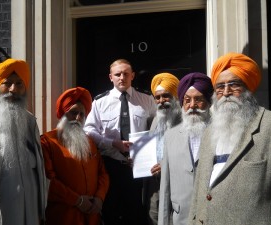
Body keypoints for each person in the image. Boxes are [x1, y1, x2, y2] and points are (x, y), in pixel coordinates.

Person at [189, 52, 271, 225]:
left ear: (248, 88)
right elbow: (199, 189)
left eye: (234, 85)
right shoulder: (210, 132)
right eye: (220, 87)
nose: (226, 92)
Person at [84, 59, 156, 225]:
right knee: (111, 214)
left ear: (133, 75)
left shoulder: (146, 99)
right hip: (110, 167)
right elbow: (89, 131)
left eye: (125, 73)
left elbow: (157, 130)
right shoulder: (100, 102)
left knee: (137, 215)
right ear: (111, 77)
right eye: (117, 74)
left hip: (139, 169)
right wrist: (112, 143)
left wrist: (148, 156)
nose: (122, 77)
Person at [0, 58, 47, 225]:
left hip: (30, 211)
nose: (13, 89)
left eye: (19, 84)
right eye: (7, 83)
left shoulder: (30, 122)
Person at [40, 86, 110, 225]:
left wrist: (99, 198)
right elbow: (48, 181)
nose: (78, 118)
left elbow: (102, 174)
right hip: (63, 216)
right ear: (63, 114)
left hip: (91, 215)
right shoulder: (47, 141)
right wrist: (77, 200)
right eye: (73, 113)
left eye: (82, 114)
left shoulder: (89, 141)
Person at [158, 72, 213, 225]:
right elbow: (165, 188)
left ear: (209, 102)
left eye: (199, 99)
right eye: (187, 100)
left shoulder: (221, 133)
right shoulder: (171, 136)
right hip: (181, 219)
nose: (192, 105)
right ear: (182, 103)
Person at [144, 72, 182, 225]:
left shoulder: (186, 120)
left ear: (176, 96)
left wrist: (166, 166)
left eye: (166, 96)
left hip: (177, 184)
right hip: (155, 185)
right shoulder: (154, 120)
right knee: (154, 218)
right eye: (157, 97)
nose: (161, 101)